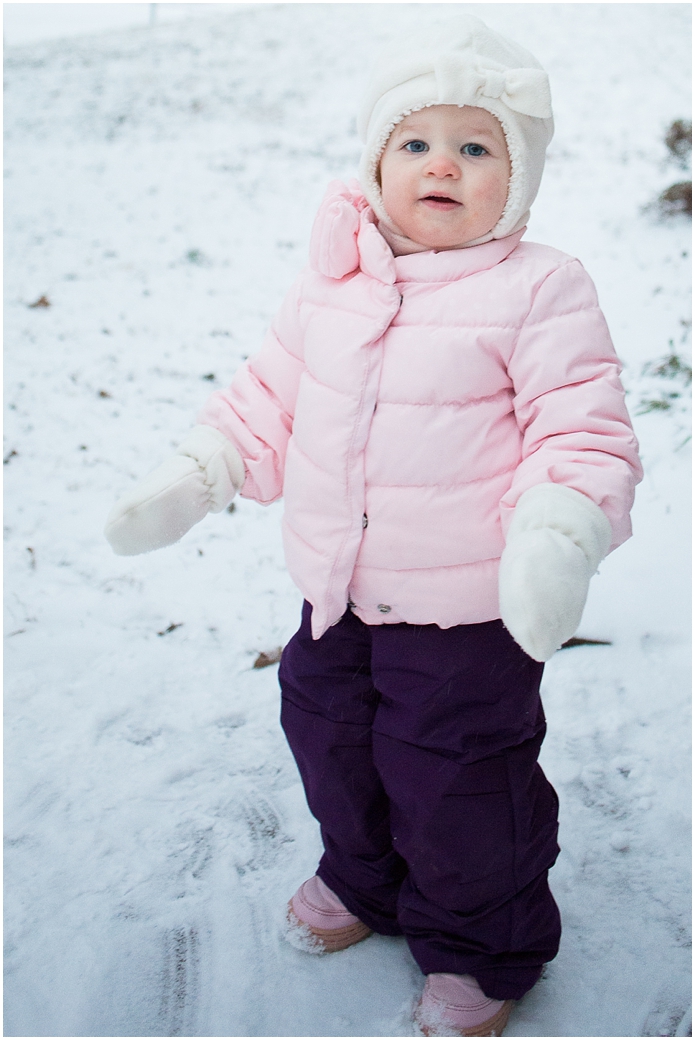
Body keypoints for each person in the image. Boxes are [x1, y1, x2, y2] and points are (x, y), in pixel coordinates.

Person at [104, 16, 642, 1036]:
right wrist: (200, 469)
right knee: (329, 737)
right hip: (333, 590)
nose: (441, 163)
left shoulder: (538, 288)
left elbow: (579, 428)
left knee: (457, 779)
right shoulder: (333, 282)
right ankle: (365, 875)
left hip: (464, 610)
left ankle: (482, 945)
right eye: (415, 142)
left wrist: (557, 528)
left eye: (474, 146)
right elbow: (267, 397)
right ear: (376, 160)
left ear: (517, 179)